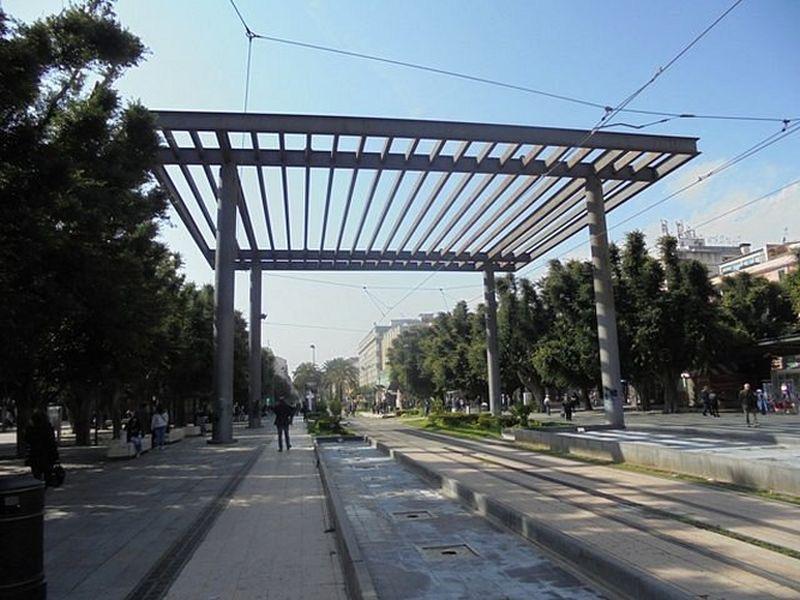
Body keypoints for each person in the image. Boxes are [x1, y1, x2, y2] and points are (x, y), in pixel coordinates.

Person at [25, 410, 59, 482]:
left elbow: (27, 440)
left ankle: (38, 486)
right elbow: (52, 443)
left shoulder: (30, 429)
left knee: (36, 475)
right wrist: (56, 457)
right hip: (47, 455)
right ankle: (45, 486)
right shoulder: (48, 428)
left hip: (35, 455)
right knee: (48, 474)